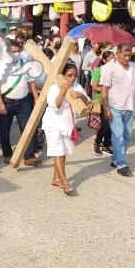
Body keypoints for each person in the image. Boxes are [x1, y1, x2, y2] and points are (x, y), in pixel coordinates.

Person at [100, 43, 135, 177]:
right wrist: (106, 108)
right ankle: (122, 164)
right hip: (115, 107)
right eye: (124, 55)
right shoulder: (109, 68)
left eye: (129, 55)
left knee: (126, 136)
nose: (126, 58)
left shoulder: (133, 67)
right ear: (118, 53)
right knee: (118, 136)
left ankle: (115, 159)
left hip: (129, 106)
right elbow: (104, 90)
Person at [0, 39, 41, 166]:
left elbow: (31, 82)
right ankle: (7, 154)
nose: (16, 53)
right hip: (7, 101)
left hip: (24, 101)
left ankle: (29, 155)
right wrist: (0, 103)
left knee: (27, 127)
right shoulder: (1, 65)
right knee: (5, 129)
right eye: (13, 51)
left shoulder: (24, 63)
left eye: (18, 51)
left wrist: (36, 98)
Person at [43, 63, 88, 195]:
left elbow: (87, 102)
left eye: (75, 75)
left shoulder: (78, 87)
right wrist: (63, 91)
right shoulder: (54, 88)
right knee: (58, 152)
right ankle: (65, 182)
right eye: (70, 75)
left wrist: (81, 96)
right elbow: (55, 105)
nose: (73, 78)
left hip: (67, 125)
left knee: (63, 153)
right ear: (63, 75)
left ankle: (55, 178)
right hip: (53, 124)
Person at [90, 50, 114, 156]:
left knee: (111, 125)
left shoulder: (115, 70)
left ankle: (106, 145)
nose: (113, 61)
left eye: (114, 59)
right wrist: (106, 89)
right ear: (104, 60)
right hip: (101, 100)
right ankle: (97, 143)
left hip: (113, 100)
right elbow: (94, 87)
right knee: (104, 125)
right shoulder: (99, 70)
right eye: (110, 59)